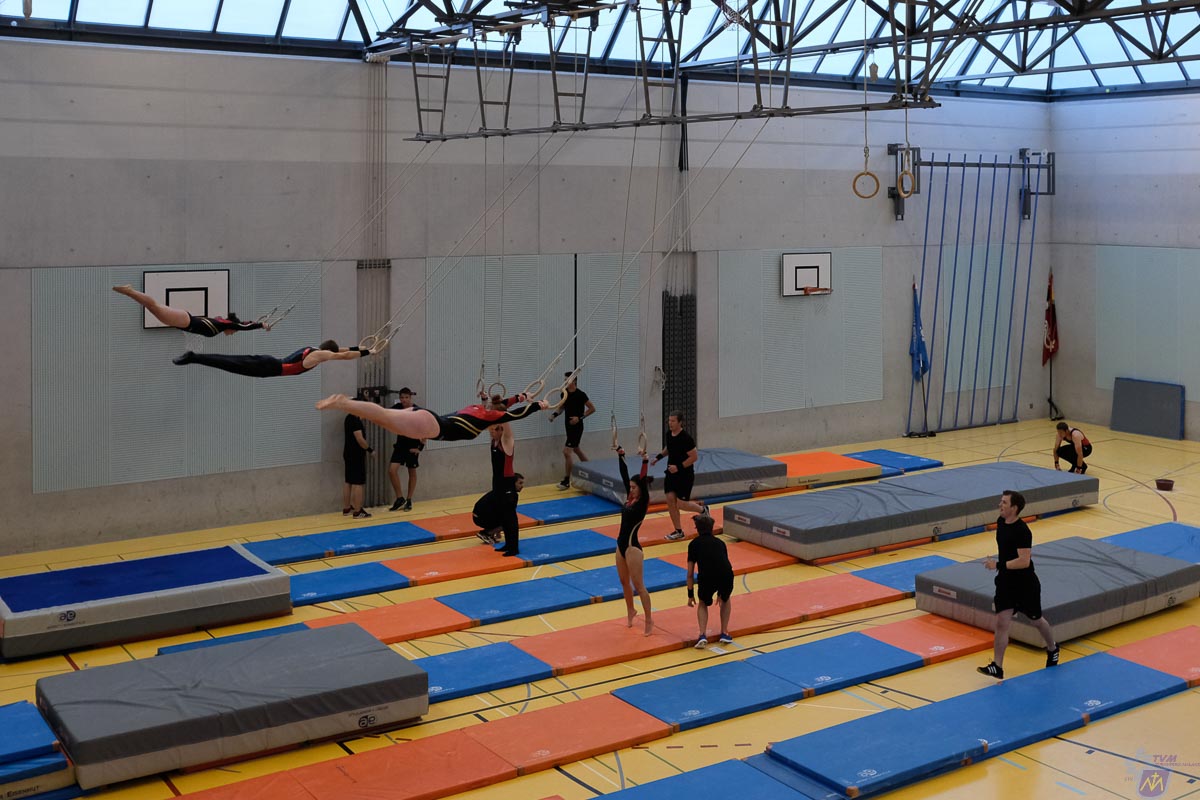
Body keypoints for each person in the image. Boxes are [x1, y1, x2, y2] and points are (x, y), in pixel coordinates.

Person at [977, 490, 1059, 679]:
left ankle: (1052, 648)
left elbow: (1024, 561)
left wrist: (997, 565)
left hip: (1025, 584)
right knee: (1001, 622)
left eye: (1004, 503)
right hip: (1006, 582)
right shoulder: (1001, 522)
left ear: (1014, 508)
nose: (1000, 505)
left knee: (1036, 620)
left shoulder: (1022, 531)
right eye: (1001, 501)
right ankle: (997, 666)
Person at [316, 391, 547, 441]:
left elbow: (503, 405)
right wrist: (538, 405)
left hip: (426, 419)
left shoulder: (477, 408)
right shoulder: (488, 418)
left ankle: (347, 405)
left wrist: (520, 396)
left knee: (380, 419)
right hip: (430, 426)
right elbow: (513, 415)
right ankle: (344, 403)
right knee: (383, 416)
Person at [113, 284, 268, 336]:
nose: (232, 334)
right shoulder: (224, 324)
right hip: (186, 321)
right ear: (232, 326)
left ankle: (130, 292)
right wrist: (261, 325)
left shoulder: (221, 323)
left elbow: (243, 324)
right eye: (233, 332)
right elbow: (243, 326)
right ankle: (129, 291)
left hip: (184, 321)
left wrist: (252, 322)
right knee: (154, 306)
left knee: (153, 308)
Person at [613, 445, 654, 635]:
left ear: (641, 488)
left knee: (639, 586)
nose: (631, 490)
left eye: (634, 487)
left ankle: (649, 619)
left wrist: (645, 460)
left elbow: (643, 480)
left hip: (632, 547)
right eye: (630, 487)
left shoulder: (643, 502)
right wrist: (621, 454)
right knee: (624, 581)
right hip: (620, 545)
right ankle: (631, 610)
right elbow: (624, 475)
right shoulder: (630, 499)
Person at [174, 340, 375, 377]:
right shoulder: (320, 355)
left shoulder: (316, 349)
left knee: (230, 362)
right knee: (229, 364)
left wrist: (362, 348)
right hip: (269, 368)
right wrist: (367, 353)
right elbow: (343, 355)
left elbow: (343, 349)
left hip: (268, 362)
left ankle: (196, 357)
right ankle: (194, 357)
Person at [651, 410, 707, 541]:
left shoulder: (686, 438)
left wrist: (678, 467)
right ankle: (678, 531)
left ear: (680, 422)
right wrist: (658, 458)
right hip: (671, 474)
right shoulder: (669, 434)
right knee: (670, 500)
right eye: (669, 421)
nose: (670, 423)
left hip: (684, 475)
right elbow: (668, 448)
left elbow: (694, 457)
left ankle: (702, 510)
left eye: (673, 421)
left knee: (682, 504)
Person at [686, 513, 734, 648]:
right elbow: (723, 564)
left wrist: (690, 595)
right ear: (712, 528)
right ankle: (724, 632)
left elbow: (690, 574)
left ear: (697, 529)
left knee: (703, 602)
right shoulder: (720, 543)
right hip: (726, 574)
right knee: (725, 599)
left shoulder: (694, 544)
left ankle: (702, 635)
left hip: (707, 576)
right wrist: (721, 593)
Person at [549, 373, 595, 489]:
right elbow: (562, 407)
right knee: (576, 449)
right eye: (564, 379)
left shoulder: (581, 394)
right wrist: (554, 415)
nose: (565, 382)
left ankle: (566, 480)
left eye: (567, 380)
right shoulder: (564, 394)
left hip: (577, 427)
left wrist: (579, 418)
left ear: (574, 381)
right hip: (568, 426)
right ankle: (592, 471)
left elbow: (592, 409)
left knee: (566, 452)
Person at [388, 387, 424, 512]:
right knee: (392, 470)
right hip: (400, 445)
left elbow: (425, 429)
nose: (404, 400)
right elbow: (384, 413)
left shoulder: (416, 411)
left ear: (410, 398)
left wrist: (420, 448)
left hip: (413, 446)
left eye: (406, 397)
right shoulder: (397, 407)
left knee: (411, 472)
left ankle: (409, 499)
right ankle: (400, 498)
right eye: (402, 397)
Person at [472, 472, 524, 558]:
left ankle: (492, 533)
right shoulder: (510, 495)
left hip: (478, 515)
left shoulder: (502, 490)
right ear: (512, 483)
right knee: (510, 521)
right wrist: (499, 529)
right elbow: (507, 515)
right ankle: (486, 533)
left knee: (507, 518)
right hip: (480, 517)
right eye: (520, 483)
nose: (522, 486)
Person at [343, 394, 374, 519]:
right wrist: (370, 450)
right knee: (358, 482)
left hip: (348, 453)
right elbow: (360, 439)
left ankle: (347, 508)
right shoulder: (355, 421)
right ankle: (357, 510)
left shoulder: (348, 418)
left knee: (348, 481)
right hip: (356, 454)